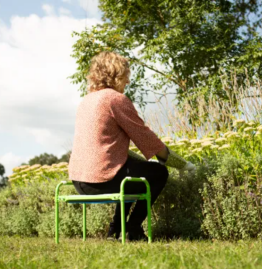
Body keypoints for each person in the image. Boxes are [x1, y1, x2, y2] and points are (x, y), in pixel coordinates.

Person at [68, 51, 196, 242]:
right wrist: (182, 164)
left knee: (131, 172)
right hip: (101, 180)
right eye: (125, 77)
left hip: (79, 181)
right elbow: (145, 137)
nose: (127, 82)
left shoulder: (86, 101)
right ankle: (133, 229)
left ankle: (115, 231)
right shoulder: (115, 99)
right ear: (114, 75)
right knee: (158, 174)